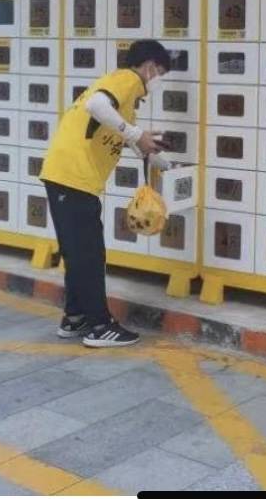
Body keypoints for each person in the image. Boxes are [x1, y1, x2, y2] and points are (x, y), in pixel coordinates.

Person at [39, 39, 171, 347]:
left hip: (69, 178)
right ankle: (100, 326)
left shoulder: (125, 102)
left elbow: (135, 143)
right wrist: (135, 133)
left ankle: (75, 318)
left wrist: (167, 165)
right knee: (87, 255)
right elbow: (96, 106)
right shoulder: (127, 79)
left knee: (80, 253)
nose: (158, 81)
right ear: (149, 67)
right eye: (161, 73)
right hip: (72, 177)